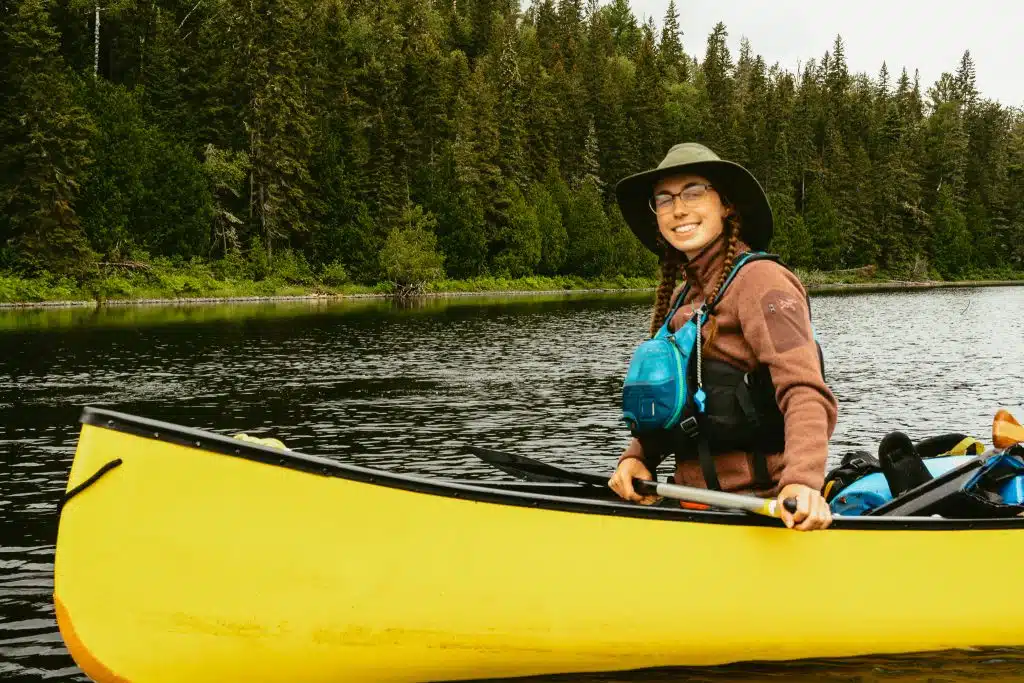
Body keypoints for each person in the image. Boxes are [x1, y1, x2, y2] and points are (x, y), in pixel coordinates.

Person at [608, 142, 838, 531]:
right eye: (663, 199)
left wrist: (801, 480)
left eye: (694, 192)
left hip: (757, 510)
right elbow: (682, 405)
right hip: (692, 507)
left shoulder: (762, 282)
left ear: (727, 205)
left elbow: (804, 390)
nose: (678, 209)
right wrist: (638, 457)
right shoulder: (685, 296)